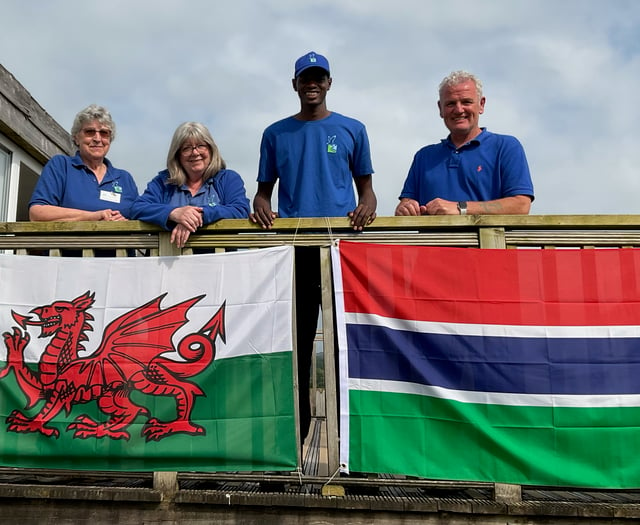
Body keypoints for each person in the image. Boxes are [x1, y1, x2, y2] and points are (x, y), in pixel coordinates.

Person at [251, 51, 377, 446]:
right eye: (305, 78)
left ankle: (348, 443)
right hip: (297, 249)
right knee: (298, 345)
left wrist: (368, 206)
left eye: (319, 77)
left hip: (341, 252)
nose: (312, 84)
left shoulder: (353, 129)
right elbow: (262, 194)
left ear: (328, 83)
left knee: (343, 347)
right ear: (294, 84)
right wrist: (261, 208)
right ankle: (297, 440)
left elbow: (367, 191)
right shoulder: (275, 134)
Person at [395, 70, 534, 216]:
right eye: (450, 104)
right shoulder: (423, 157)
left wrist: (460, 208)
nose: (459, 109)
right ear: (440, 109)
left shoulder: (506, 147)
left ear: (481, 105)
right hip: (433, 240)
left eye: (466, 102)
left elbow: (521, 205)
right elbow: (405, 203)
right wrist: (405, 209)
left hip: (489, 239)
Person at [131, 122, 250, 248]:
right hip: (170, 260)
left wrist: (198, 216)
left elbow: (240, 209)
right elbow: (138, 208)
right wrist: (174, 213)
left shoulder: (228, 179)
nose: (195, 152)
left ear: (211, 149)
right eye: (186, 148)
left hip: (219, 260)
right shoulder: (163, 182)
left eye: (201, 146)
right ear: (177, 155)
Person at [29, 104, 138, 221]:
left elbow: (141, 217)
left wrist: (126, 223)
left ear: (110, 139)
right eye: (90, 132)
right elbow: (37, 213)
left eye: (104, 133)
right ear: (76, 137)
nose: (97, 138)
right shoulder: (61, 166)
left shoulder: (125, 179)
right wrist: (94, 216)